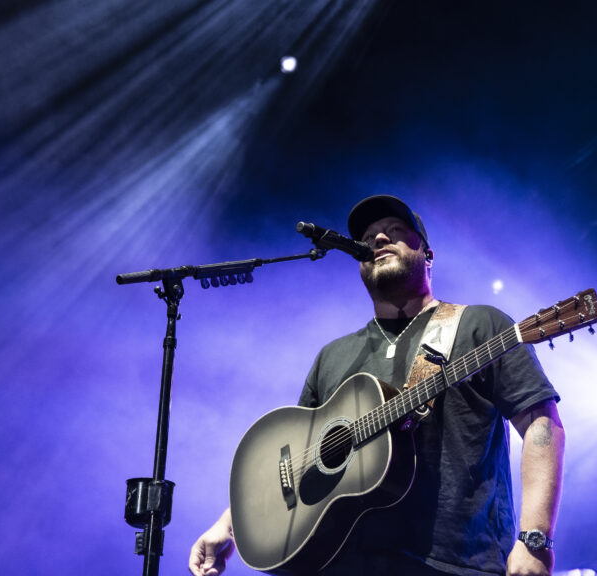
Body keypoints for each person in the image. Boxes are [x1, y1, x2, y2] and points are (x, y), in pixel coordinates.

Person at [190, 195, 564, 576]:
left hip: (455, 563)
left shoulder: (479, 325)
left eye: (395, 231)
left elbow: (541, 424)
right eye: (368, 238)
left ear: (428, 254)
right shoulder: (333, 356)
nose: (379, 239)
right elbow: (291, 457)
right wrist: (229, 524)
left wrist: (535, 537)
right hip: (340, 564)